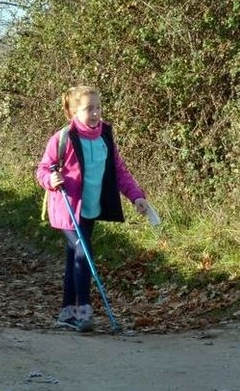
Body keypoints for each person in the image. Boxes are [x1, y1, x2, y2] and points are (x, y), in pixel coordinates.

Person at [36, 85, 149, 332]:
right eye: (89, 109)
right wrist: (51, 181)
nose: (96, 113)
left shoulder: (105, 136)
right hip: (67, 208)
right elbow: (43, 169)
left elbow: (119, 171)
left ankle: (67, 312)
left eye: (98, 107)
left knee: (74, 258)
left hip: (91, 207)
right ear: (74, 112)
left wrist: (136, 197)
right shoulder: (63, 138)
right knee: (82, 253)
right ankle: (83, 310)